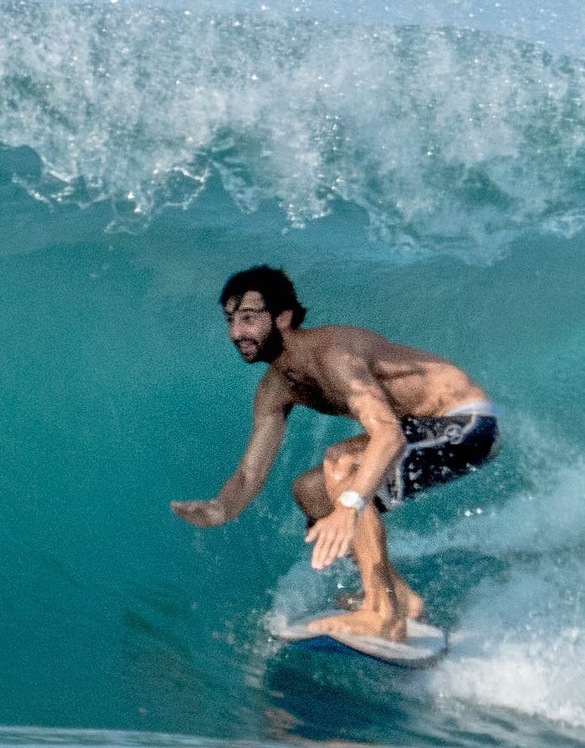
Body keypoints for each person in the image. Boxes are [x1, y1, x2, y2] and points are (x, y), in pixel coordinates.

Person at [169, 265, 499, 642]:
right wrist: (221, 508)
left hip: (467, 423)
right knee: (311, 490)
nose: (236, 333)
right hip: (420, 428)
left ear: (283, 318)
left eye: (248, 319)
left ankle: (384, 615)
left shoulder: (333, 355)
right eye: (230, 321)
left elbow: (388, 435)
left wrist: (349, 506)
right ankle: (400, 599)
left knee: (341, 463)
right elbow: (249, 476)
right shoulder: (276, 388)